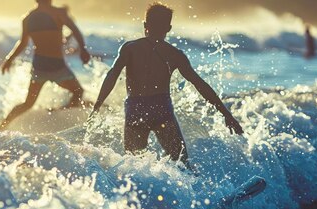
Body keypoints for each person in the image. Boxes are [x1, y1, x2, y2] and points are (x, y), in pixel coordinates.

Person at [89, 3, 244, 168]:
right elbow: (200, 85)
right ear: (168, 28)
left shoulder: (130, 49)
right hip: (161, 110)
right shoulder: (175, 55)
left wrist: (97, 105)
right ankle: (191, 193)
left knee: (132, 165)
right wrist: (226, 114)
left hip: (136, 110)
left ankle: (132, 193)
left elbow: (111, 76)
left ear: (145, 26)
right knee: (181, 162)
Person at [0, 0, 91, 129]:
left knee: (28, 103)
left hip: (39, 66)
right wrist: (83, 49)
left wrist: (9, 59)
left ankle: (3, 125)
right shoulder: (58, 13)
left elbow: (22, 43)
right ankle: (60, 114)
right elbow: (75, 30)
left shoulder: (28, 18)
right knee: (78, 92)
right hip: (57, 66)